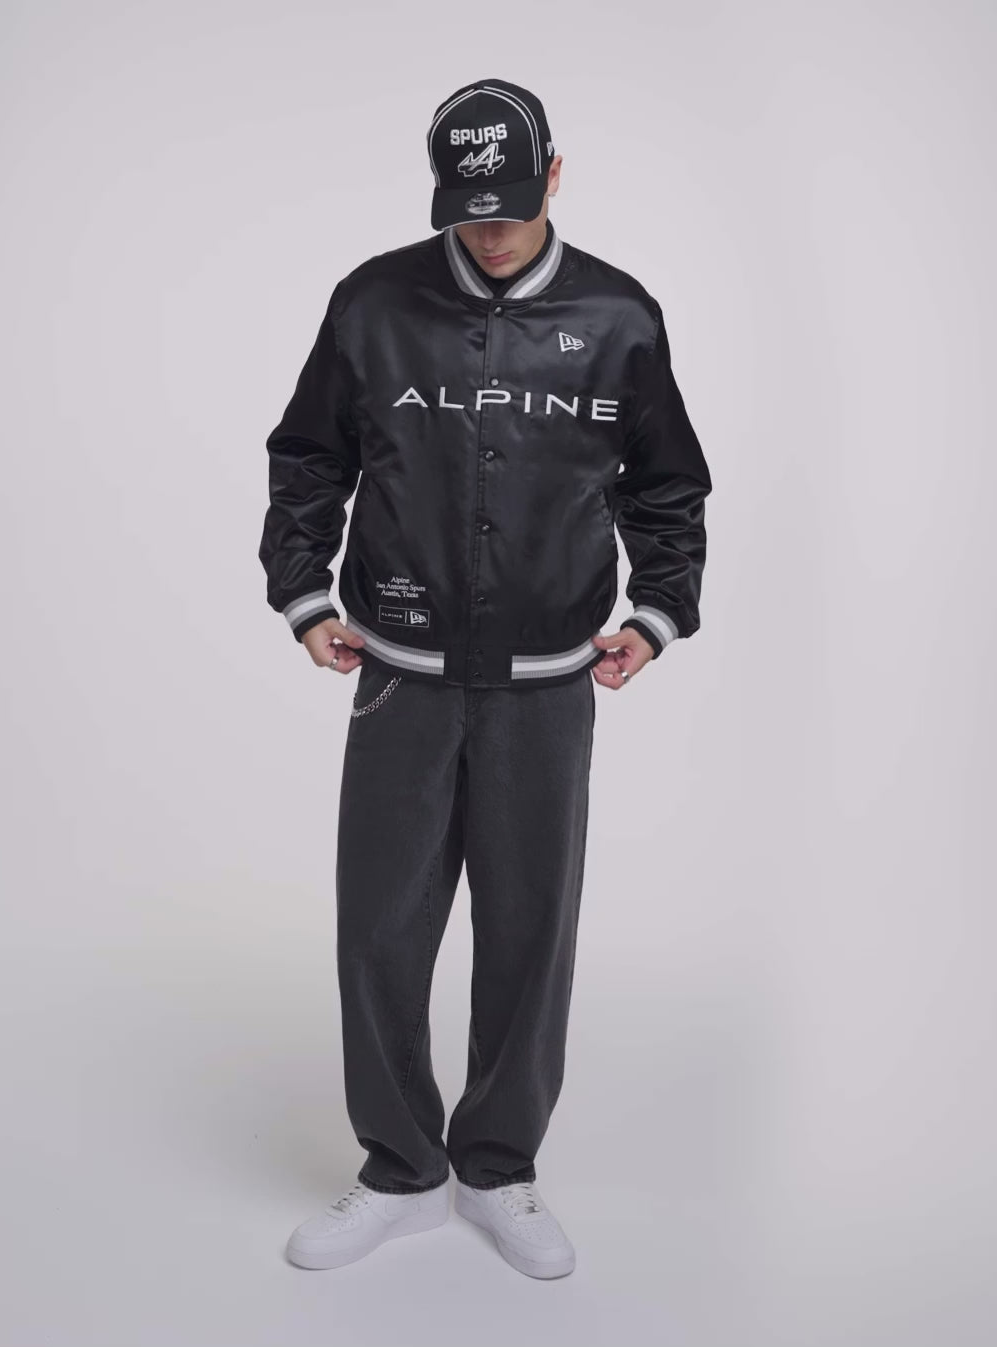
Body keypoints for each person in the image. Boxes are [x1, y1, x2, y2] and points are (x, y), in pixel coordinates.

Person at [259, 77, 712, 1279]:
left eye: (511, 205)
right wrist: (304, 594)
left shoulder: (619, 314)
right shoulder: (373, 302)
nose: (492, 231)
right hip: (399, 673)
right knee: (380, 930)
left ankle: (500, 1167)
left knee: (529, 930)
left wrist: (658, 611)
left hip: (548, 683)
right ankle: (400, 1171)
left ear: (553, 175)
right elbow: (308, 457)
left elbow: (667, 484)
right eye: (470, 211)